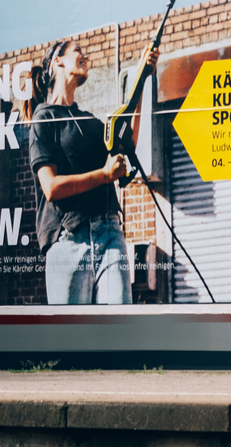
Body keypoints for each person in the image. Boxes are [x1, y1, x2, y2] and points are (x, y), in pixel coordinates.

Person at [27, 40, 156, 305]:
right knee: (73, 340)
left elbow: (125, 137)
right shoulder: (44, 119)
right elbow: (50, 187)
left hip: (110, 233)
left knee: (117, 335)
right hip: (68, 239)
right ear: (57, 62)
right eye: (78, 52)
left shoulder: (89, 121)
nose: (85, 56)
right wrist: (104, 176)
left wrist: (142, 76)